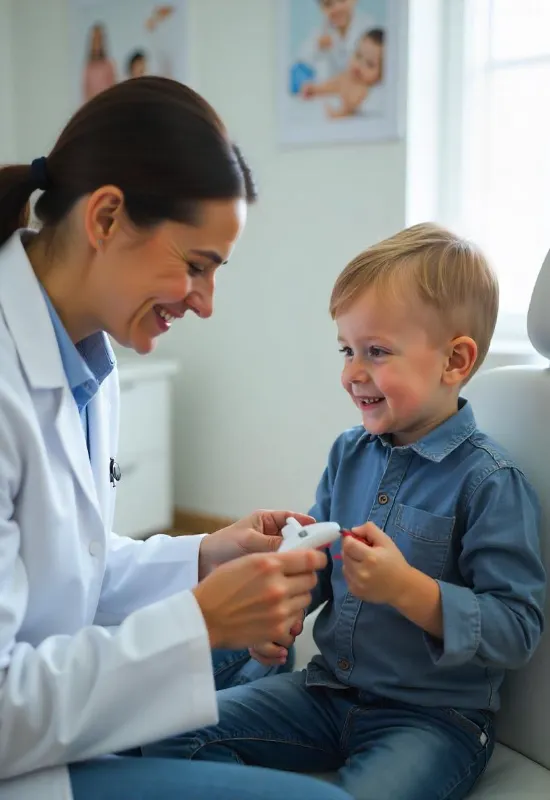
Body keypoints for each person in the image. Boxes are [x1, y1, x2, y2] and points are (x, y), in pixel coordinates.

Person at [0, 77, 353, 800]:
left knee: (252, 665)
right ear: (105, 217)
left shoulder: (86, 359)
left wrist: (204, 556)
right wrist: (198, 624)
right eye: (196, 266)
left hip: (48, 697)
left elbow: (67, 570)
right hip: (20, 750)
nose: (206, 302)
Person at [150, 224, 547, 800]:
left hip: (433, 722)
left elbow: (516, 630)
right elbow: (319, 565)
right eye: (347, 349)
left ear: (454, 361)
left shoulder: (490, 482)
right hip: (326, 693)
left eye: (377, 352)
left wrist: (408, 588)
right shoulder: (349, 453)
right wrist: (278, 610)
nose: (351, 373)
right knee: (168, 732)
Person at [301, 28, 384, 119]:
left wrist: (339, 114)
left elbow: (350, 107)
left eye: (370, 64)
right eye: (358, 55)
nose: (359, 65)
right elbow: (331, 85)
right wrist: (315, 89)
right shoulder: (346, 76)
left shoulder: (365, 89)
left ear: (381, 74)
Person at [295, 0, 375, 85]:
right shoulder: (320, 32)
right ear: (321, 8)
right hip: (332, 90)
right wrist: (318, 46)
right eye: (328, 4)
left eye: (342, 1)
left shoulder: (369, 26)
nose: (337, 8)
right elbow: (302, 58)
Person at [82, 22, 117, 103]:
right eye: (95, 39)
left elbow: (113, 90)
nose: (97, 43)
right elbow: (86, 93)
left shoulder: (108, 65)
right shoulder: (88, 67)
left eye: (99, 39)